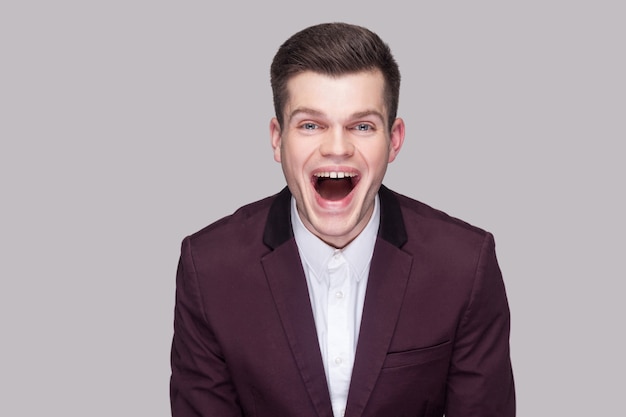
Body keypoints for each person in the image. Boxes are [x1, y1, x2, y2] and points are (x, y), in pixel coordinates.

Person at [170, 22, 515, 417]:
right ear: (278, 139)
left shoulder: (465, 265)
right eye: (311, 125)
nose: (337, 148)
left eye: (362, 126)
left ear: (395, 140)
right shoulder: (209, 268)